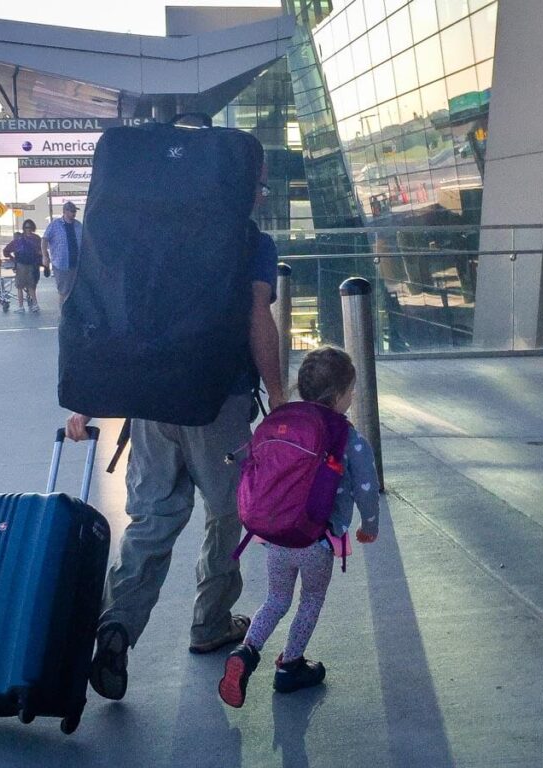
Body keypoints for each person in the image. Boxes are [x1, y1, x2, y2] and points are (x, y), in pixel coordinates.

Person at [65, 164, 286, 701]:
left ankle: (117, 625)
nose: (259, 193)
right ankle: (210, 624)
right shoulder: (251, 241)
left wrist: (89, 402)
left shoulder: (154, 233)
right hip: (220, 400)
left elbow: (113, 313)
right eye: (255, 184)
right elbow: (258, 315)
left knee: (152, 518)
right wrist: (280, 397)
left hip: (150, 399)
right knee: (228, 512)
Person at [218, 346, 380, 708]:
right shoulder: (347, 437)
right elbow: (366, 486)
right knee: (310, 600)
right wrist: (369, 524)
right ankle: (291, 664)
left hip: (274, 535)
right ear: (338, 396)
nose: (352, 398)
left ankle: (246, 652)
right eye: (351, 392)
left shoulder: (282, 421)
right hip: (315, 540)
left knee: (275, 600)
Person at [41, 201, 82, 301]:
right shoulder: (55, 225)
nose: (74, 213)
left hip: (76, 264)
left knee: (76, 291)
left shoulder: (78, 225)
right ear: (65, 211)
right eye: (72, 211)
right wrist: (45, 256)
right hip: (61, 264)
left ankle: (73, 314)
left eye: (75, 211)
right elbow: (44, 239)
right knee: (64, 291)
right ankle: (64, 314)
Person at [2, 219, 42, 313]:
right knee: (31, 286)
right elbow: (41, 252)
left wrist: (13, 259)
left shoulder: (19, 240)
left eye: (29, 227)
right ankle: (35, 304)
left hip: (22, 265)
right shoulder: (36, 239)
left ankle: (21, 307)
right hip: (32, 265)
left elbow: (6, 250)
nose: (28, 229)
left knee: (20, 286)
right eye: (27, 227)